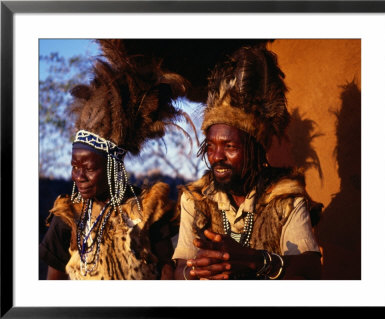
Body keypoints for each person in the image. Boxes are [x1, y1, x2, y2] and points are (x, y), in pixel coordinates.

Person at [39, 39, 190, 280]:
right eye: (74, 167)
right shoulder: (67, 218)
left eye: (88, 168)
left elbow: (168, 273)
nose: (78, 176)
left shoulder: (148, 211)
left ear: (112, 166)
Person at [172, 44, 323, 280]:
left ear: (255, 150)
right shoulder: (196, 198)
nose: (217, 156)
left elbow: (311, 271)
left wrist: (255, 261)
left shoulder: (285, 197)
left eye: (229, 146)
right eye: (210, 146)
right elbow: (181, 269)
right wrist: (199, 269)